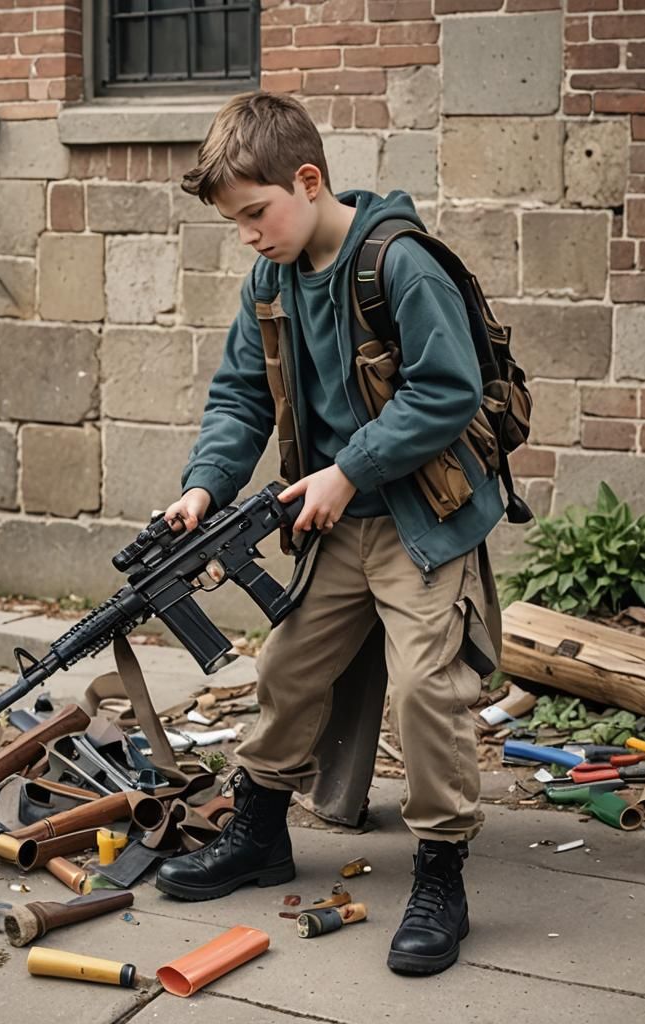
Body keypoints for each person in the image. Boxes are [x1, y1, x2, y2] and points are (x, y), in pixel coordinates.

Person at [153, 90, 504, 977]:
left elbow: (449, 389)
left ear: (308, 181)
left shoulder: (399, 263)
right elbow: (240, 397)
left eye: (255, 214)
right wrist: (203, 487)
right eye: (234, 223)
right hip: (337, 521)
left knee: (426, 688)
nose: (247, 236)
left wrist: (350, 468)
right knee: (289, 668)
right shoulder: (269, 282)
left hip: (422, 518)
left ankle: (441, 872)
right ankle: (260, 833)